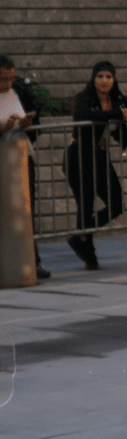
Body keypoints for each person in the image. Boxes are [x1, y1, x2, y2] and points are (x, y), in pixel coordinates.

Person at [65, 61, 127, 270]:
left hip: (100, 156)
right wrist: (117, 114)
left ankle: (80, 238)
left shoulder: (117, 99)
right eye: (100, 76)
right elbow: (83, 115)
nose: (104, 81)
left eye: (108, 77)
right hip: (78, 156)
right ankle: (90, 257)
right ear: (93, 78)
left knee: (116, 204)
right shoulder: (84, 98)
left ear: (114, 79)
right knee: (85, 206)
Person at [0, 55, 49, 279]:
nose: (6, 84)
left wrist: (28, 123)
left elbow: (36, 121)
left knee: (28, 209)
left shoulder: (19, 91)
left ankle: (32, 259)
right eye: (2, 79)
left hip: (21, 155)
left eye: (10, 78)